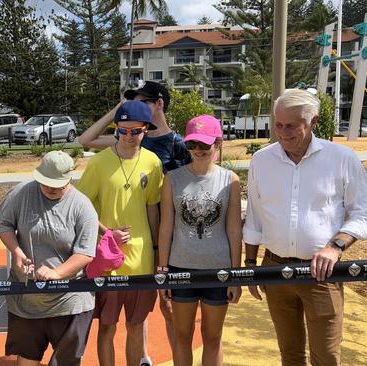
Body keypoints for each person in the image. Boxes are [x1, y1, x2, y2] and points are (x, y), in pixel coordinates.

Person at [243, 89, 367, 366]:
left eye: (292, 126)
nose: (283, 133)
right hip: (274, 270)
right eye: (278, 124)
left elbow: (362, 213)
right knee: (290, 354)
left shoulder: (342, 158)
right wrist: (250, 264)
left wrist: (335, 247)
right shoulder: (261, 160)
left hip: (322, 274)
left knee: (326, 356)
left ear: (314, 122)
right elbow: (255, 216)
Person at [78, 81, 188, 366]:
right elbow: (82, 208)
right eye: (123, 130)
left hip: (141, 258)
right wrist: (107, 232)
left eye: (136, 130)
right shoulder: (99, 163)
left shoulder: (153, 162)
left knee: (136, 325)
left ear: (145, 130)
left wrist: (155, 249)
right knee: (106, 326)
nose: (128, 136)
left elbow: (153, 209)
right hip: (106, 259)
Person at [0, 151, 99, 366]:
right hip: (27, 297)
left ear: (69, 178)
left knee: (66, 361)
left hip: (70, 300)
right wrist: (16, 251)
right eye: (45, 183)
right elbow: (3, 223)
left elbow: (85, 252)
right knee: (27, 358)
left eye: (56, 185)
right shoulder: (22, 193)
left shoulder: (82, 206)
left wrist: (57, 273)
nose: (50, 188)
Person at [157, 115, 242, 366]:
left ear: (218, 143)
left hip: (219, 270)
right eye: (192, 144)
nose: (198, 150)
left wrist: (235, 276)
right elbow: (166, 229)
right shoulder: (172, 179)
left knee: (212, 337)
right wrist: (163, 272)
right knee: (182, 336)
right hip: (180, 268)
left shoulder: (230, 180)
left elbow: (234, 231)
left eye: (205, 145)